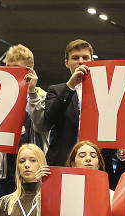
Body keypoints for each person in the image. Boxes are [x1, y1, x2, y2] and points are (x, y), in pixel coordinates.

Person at [0, 44, 48, 211]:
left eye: (15, 68)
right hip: (4, 174)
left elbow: (42, 126)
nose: (10, 73)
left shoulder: (43, 97)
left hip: (34, 174)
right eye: (7, 68)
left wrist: (31, 93)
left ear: (29, 70)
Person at [44, 38, 93, 167]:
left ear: (92, 61)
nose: (81, 61)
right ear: (67, 62)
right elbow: (50, 119)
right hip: (62, 161)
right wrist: (71, 85)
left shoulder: (103, 91)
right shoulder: (55, 90)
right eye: (75, 58)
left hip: (94, 160)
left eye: (85, 57)